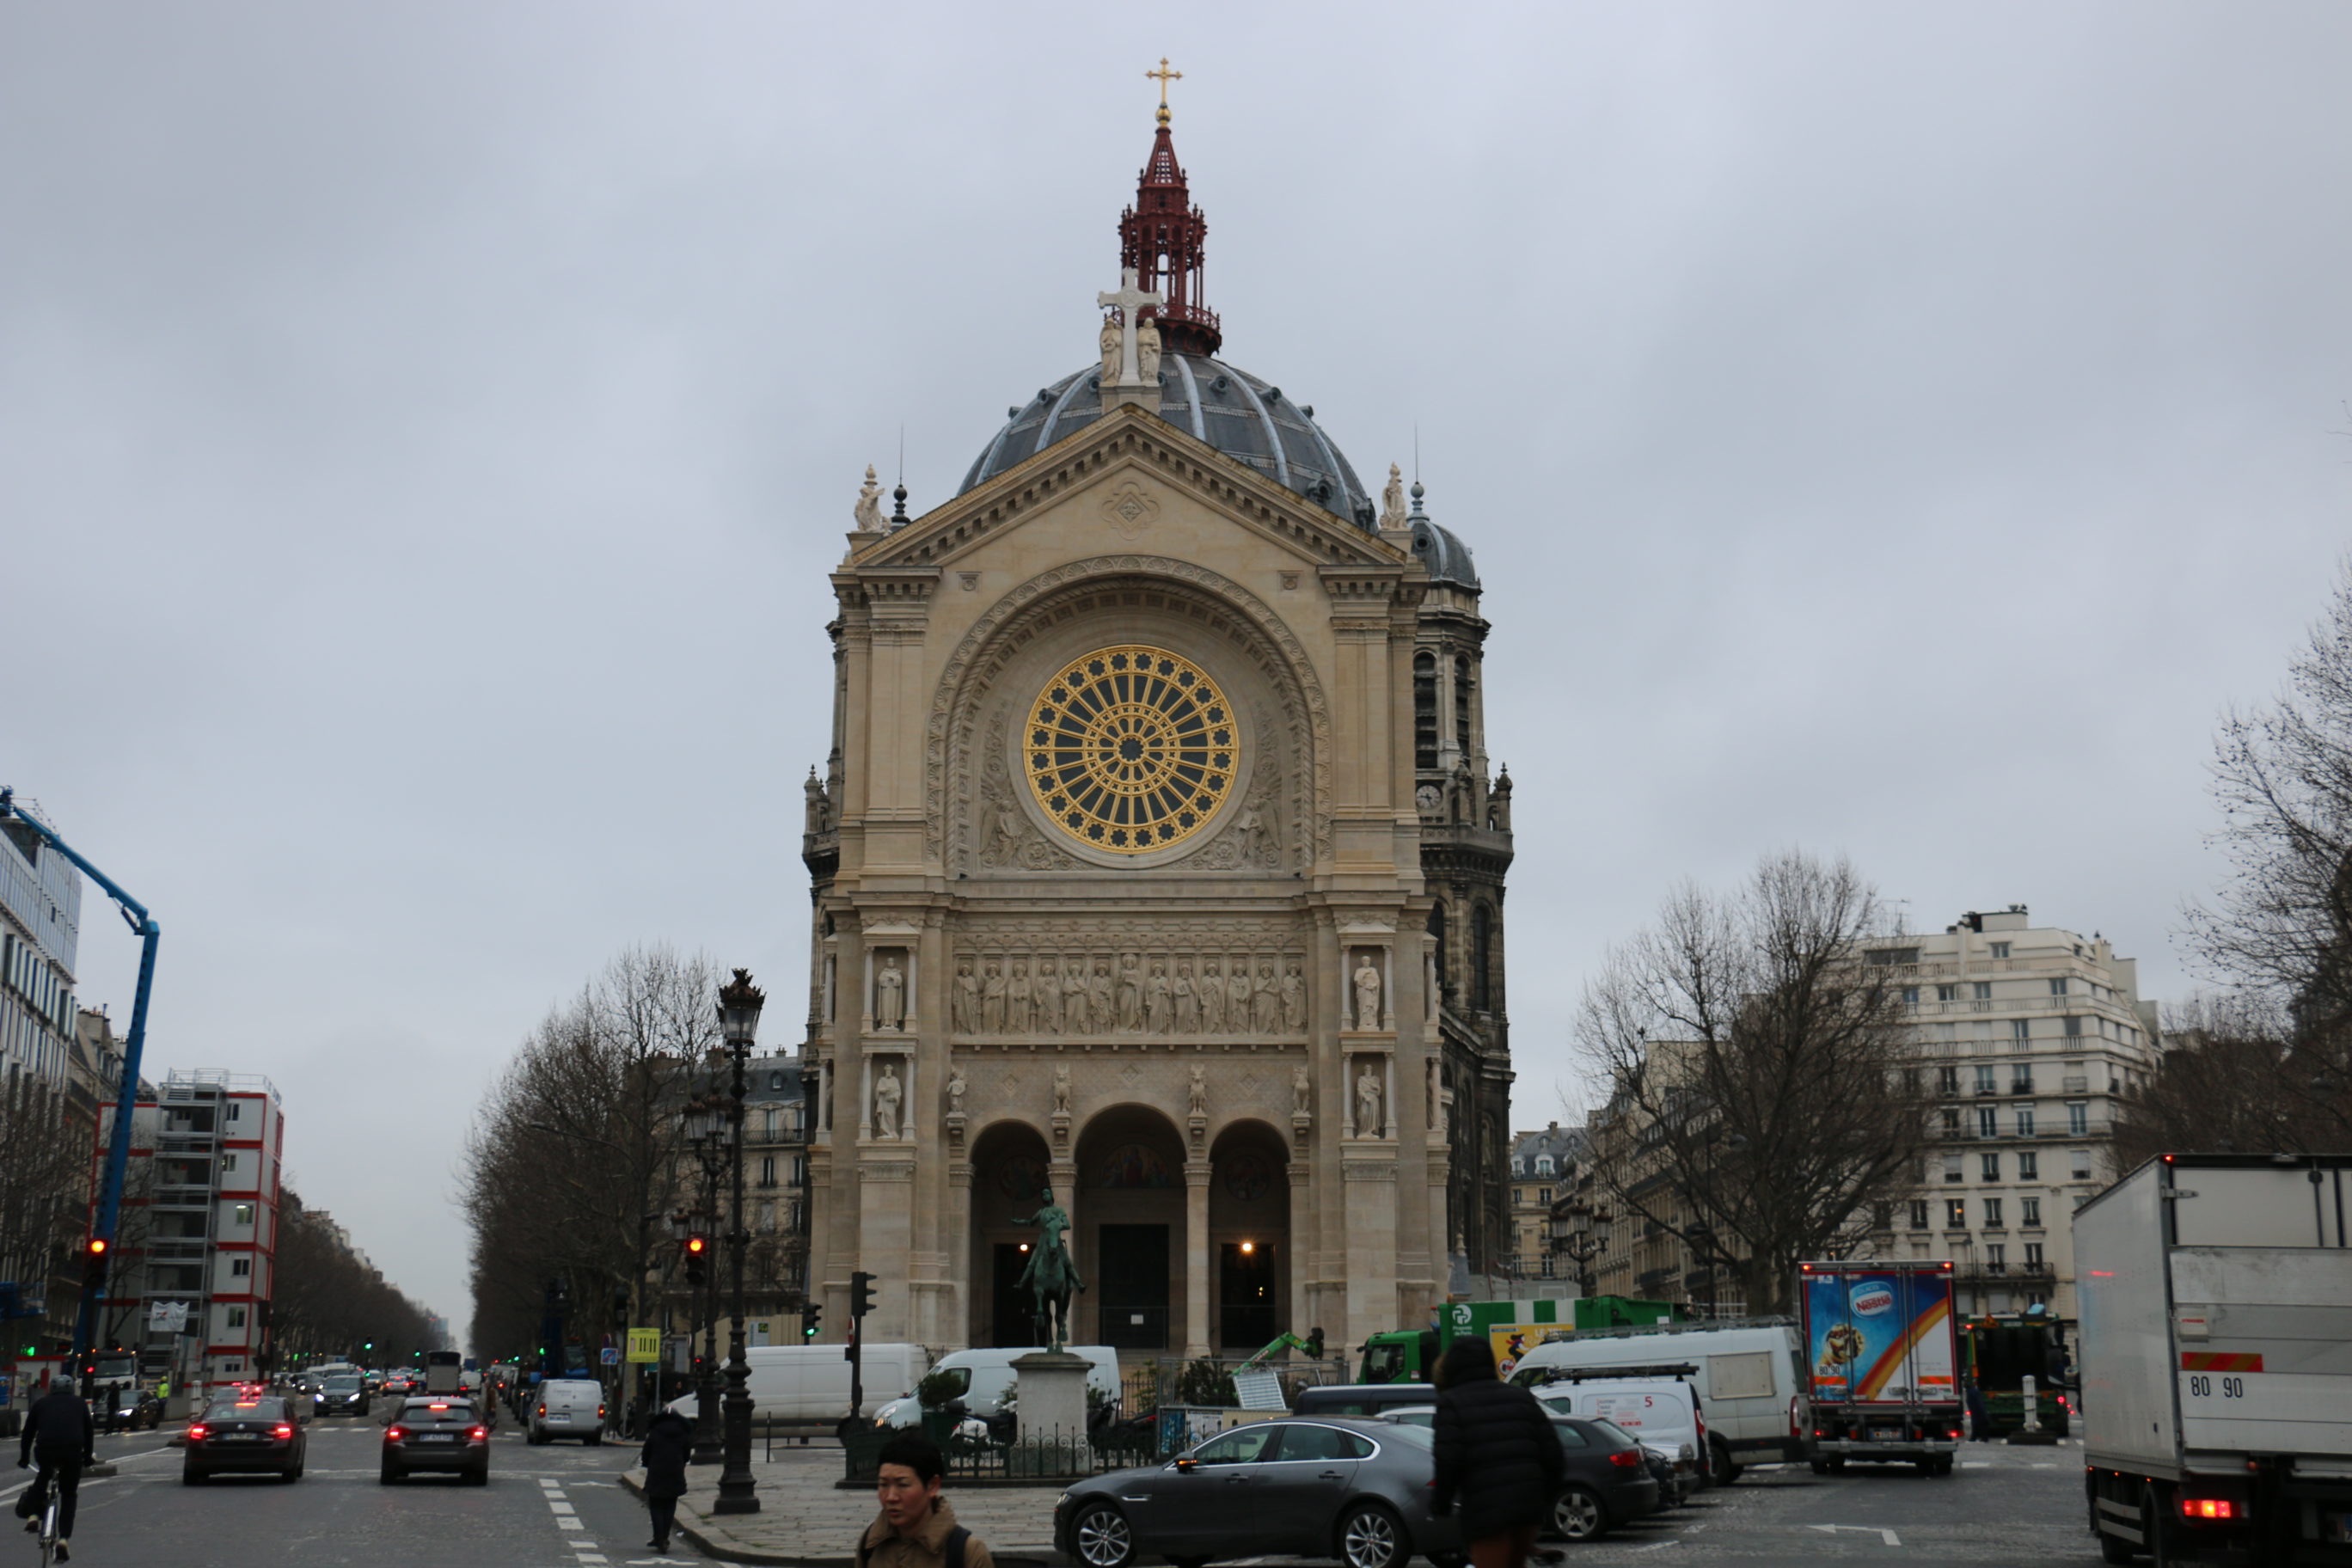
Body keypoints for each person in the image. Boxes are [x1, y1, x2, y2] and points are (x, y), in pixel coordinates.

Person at [1430, 1337, 1563, 1568]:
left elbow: (1448, 1461)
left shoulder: (1450, 1403)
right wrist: (1544, 1497)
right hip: (1528, 1506)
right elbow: (1553, 1454)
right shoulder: (1520, 1396)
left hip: (1486, 1511)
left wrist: (1441, 1504)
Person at [858, 1433, 995, 1568]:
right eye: (883, 1484)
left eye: (903, 1485)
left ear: (932, 1486)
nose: (891, 1497)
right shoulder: (870, 1545)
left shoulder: (967, 1552)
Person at [15, 1377, 95, 1562]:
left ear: (51, 1389)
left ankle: (34, 1515)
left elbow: (28, 1433)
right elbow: (88, 1432)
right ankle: (63, 1540)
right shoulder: (80, 1403)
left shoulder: (40, 1403)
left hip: (46, 1450)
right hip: (72, 1452)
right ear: (71, 1390)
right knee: (68, 1494)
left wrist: (24, 1457)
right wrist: (88, 1456)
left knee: (43, 1476)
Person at [638, 1405, 695, 1553]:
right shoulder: (683, 1431)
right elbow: (687, 1453)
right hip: (675, 1470)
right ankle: (665, 1536)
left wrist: (646, 1463)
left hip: (657, 1470)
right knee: (670, 1504)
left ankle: (658, 1537)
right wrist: (682, 1462)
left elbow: (646, 1451)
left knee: (656, 1504)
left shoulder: (655, 1430)